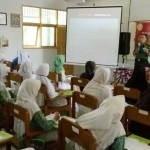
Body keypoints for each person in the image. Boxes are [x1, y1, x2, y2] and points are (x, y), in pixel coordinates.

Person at [14, 79, 60, 148]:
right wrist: (55, 118)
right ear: (32, 89)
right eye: (37, 89)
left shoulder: (18, 101)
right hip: (33, 136)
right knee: (60, 133)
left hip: (21, 134)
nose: (38, 92)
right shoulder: (32, 105)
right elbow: (46, 126)